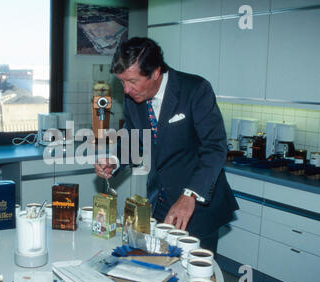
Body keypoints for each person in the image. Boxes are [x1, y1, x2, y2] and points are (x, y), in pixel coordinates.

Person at [94, 37, 239, 254]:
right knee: (159, 266)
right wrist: (113, 161)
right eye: (122, 82)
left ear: (155, 73)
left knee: (195, 272)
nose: (126, 90)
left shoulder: (195, 90)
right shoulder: (133, 99)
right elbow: (133, 139)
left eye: (132, 81)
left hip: (197, 204)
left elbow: (215, 148)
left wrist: (190, 195)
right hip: (160, 201)